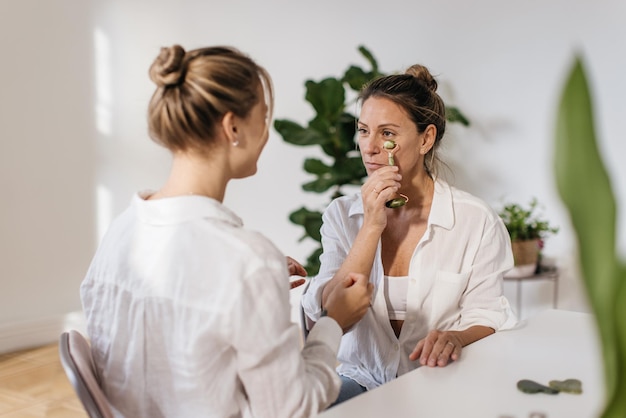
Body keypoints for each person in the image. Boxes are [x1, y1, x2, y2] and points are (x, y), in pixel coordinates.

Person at [80, 44, 373, 418]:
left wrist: (251, 294)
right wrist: (333, 323)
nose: (266, 133)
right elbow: (291, 408)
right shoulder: (245, 260)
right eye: (263, 118)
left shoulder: (119, 233)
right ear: (233, 126)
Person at [301, 64, 517, 404]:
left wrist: (457, 338)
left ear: (426, 139)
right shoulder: (343, 215)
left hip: (439, 384)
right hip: (359, 380)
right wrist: (372, 224)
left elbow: (487, 315)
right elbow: (328, 309)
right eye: (363, 130)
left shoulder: (475, 220)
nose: (369, 147)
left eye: (387, 133)